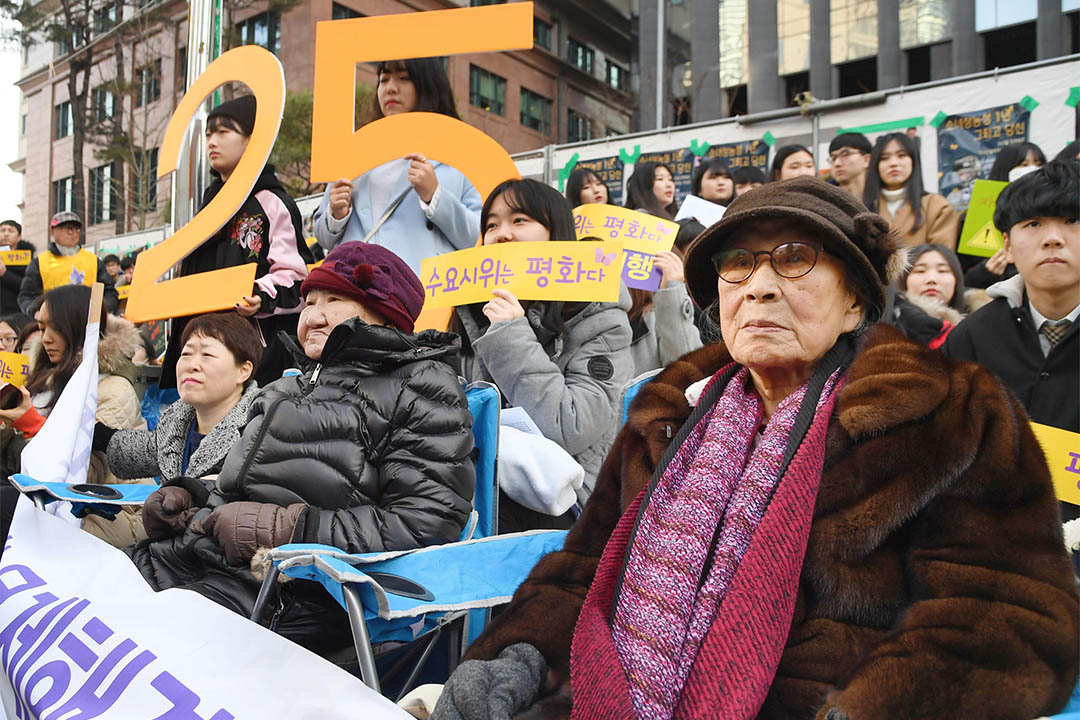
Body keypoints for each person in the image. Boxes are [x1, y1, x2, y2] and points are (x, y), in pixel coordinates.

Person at [434, 177, 1079, 720]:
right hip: (605, 696)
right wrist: (516, 657)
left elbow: (1011, 617)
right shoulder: (667, 410)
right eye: (737, 264)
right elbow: (585, 568)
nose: (759, 287)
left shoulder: (943, 414)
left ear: (856, 299)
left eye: (794, 258)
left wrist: (864, 708)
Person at [126, 242, 476, 653]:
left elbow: (425, 522)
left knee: (145, 646)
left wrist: (288, 530)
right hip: (199, 557)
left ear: (387, 314)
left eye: (335, 299)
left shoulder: (421, 384)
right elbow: (240, 486)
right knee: (80, 594)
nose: (314, 314)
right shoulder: (286, 385)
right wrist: (190, 500)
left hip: (296, 592)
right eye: (309, 301)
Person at [452, 179, 633, 527]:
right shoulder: (471, 312)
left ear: (557, 234)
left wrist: (511, 335)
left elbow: (570, 426)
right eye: (491, 224)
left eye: (519, 220)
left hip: (568, 506)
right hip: (479, 491)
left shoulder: (601, 316)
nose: (502, 234)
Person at [943, 160, 1078, 516]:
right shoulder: (970, 339)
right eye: (1032, 224)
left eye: (1072, 221)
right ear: (1006, 243)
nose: (1052, 238)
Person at [157, 95, 314, 390]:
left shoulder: (272, 202)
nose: (212, 142)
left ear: (253, 140)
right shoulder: (207, 207)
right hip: (202, 349)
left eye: (223, 132)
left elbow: (296, 277)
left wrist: (258, 296)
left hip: (253, 355)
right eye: (208, 134)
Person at [0, 284, 145, 543]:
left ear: (78, 327)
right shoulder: (42, 382)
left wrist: (33, 425)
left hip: (108, 511)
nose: (45, 338)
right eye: (42, 328)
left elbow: (86, 477)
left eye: (54, 327)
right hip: (43, 498)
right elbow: (12, 458)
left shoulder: (113, 389)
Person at [313, 57, 482, 274]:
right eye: (383, 80)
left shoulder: (458, 153)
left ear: (428, 85)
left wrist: (434, 196)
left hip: (423, 292)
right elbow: (323, 236)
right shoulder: (356, 150)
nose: (391, 89)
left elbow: (477, 237)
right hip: (356, 290)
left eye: (404, 78)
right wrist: (336, 215)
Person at [965, 141, 1048, 289]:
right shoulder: (974, 215)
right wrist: (984, 272)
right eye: (1023, 164)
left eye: (1038, 163)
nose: (1032, 169)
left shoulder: (1054, 211)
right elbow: (961, 274)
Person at [864, 132, 959, 249]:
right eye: (884, 158)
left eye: (901, 155)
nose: (893, 163)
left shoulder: (936, 206)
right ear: (876, 165)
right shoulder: (863, 210)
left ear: (914, 161)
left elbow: (940, 257)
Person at [17, 211, 117, 315]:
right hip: (53, 321)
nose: (71, 232)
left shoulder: (93, 260)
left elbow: (109, 291)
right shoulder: (39, 263)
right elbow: (26, 296)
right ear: (52, 231)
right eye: (65, 227)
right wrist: (35, 313)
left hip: (87, 321)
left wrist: (104, 309)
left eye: (74, 228)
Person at [889, 243, 967, 348]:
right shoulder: (891, 326)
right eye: (920, 271)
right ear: (904, 280)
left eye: (942, 271)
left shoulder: (975, 325)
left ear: (957, 280)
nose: (932, 279)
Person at [0, 220, 35, 315]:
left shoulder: (27, 260)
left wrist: (5, 273)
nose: (6, 234)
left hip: (16, 312)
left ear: (19, 236)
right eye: (2, 230)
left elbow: (28, 287)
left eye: (11, 231)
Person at [828, 132, 872, 200]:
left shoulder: (886, 195)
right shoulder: (823, 198)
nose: (837, 163)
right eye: (833, 158)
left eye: (845, 155)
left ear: (866, 160)